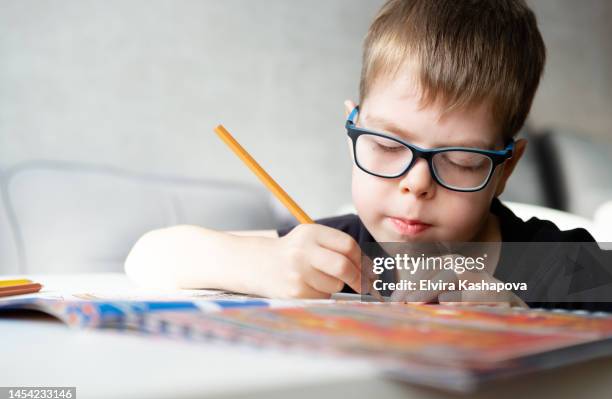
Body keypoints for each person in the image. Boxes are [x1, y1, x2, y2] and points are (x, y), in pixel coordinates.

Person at [124, 0, 611, 310]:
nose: (416, 184)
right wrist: (264, 262)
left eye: (461, 160)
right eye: (386, 145)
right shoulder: (341, 252)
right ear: (353, 129)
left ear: (505, 170)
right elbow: (148, 257)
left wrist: (523, 322)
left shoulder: (556, 262)